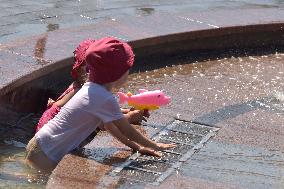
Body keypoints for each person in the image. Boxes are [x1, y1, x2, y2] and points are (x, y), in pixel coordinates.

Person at [25, 37, 175, 173]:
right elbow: (126, 130)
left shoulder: (92, 88)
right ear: (117, 74)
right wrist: (155, 145)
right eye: (127, 70)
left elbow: (110, 127)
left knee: (32, 176)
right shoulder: (104, 97)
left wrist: (138, 147)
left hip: (40, 144)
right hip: (46, 152)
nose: (128, 73)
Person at [35, 39, 147, 133]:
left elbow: (103, 110)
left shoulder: (79, 85)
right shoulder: (81, 92)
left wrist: (127, 111)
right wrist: (131, 117)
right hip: (53, 134)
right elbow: (103, 124)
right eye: (89, 70)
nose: (94, 73)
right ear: (78, 70)